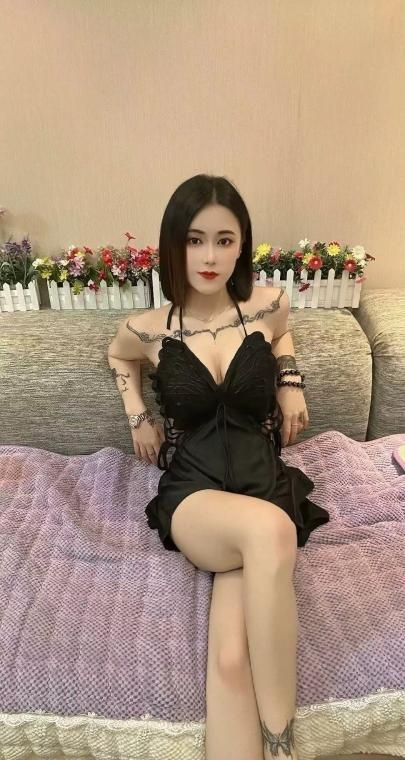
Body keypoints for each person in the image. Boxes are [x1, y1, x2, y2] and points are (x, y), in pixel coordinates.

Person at [107, 174, 330, 760]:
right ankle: (283, 746)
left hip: (263, 485)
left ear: (242, 245)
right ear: (173, 245)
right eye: (194, 240)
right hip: (198, 498)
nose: (209, 257)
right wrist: (137, 415)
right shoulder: (146, 328)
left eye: (224, 240)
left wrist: (289, 379)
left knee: (232, 659)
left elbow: (282, 336)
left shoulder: (268, 305)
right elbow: (117, 356)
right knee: (271, 530)